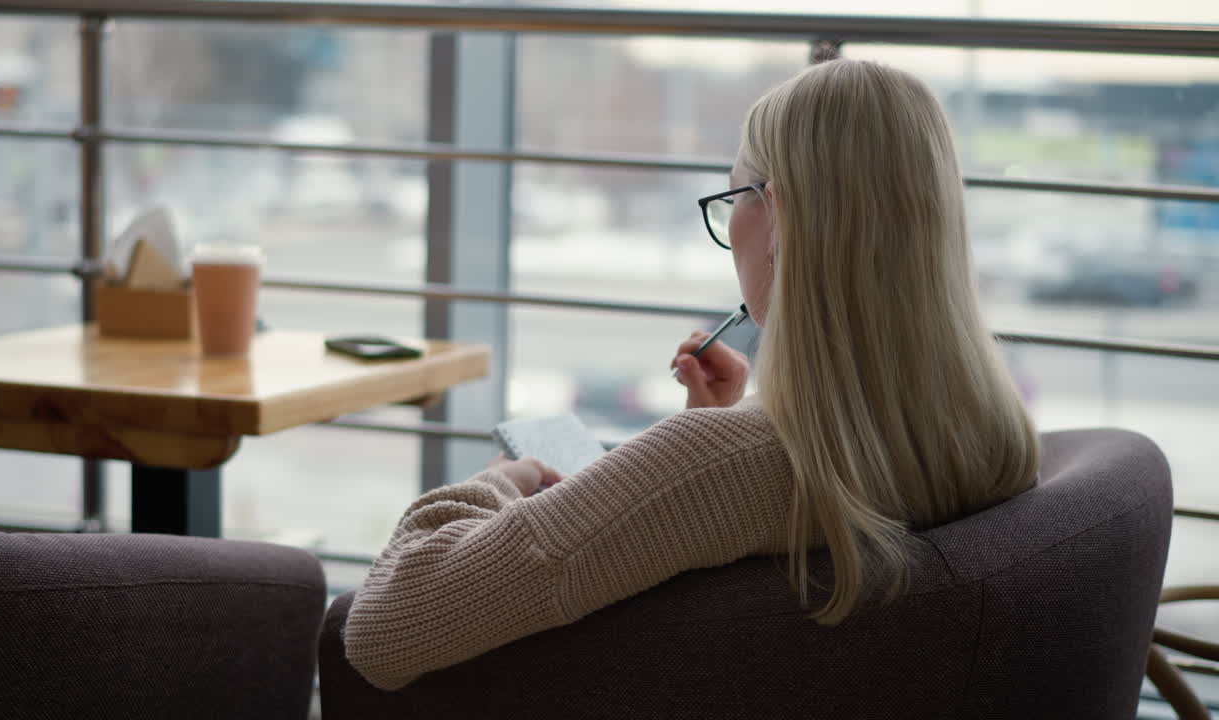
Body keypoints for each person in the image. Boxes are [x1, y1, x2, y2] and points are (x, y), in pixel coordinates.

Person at [343, 58, 1040, 692]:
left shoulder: (727, 463)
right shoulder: (984, 431)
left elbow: (382, 629)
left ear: (782, 218)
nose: (730, 225)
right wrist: (710, 433)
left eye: (735, 197)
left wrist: (504, 481)